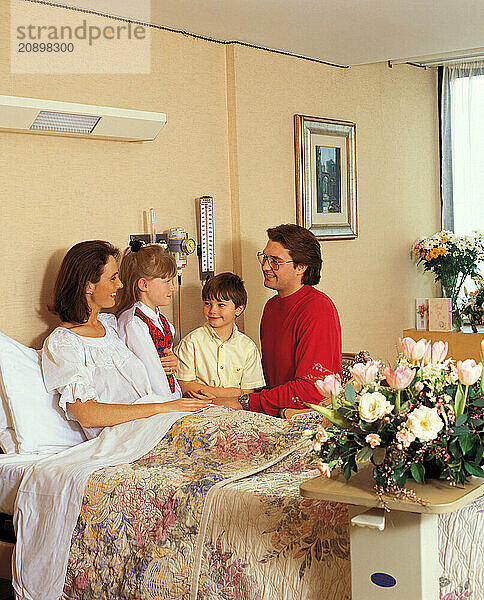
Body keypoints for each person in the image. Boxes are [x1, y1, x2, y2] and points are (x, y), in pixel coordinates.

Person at [41, 240, 211, 439]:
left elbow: (147, 368)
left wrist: (168, 364)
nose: (120, 284)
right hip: (125, 438)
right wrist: (162, 408)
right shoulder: (63, 343)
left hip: (156, 421)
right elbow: (87, 415)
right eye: (113, 278)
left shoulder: (111, 325)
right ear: (89, 286)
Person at [215, 224, 342, 416]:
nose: (265, 266)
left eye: (275, 261)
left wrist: (245, 401)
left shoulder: (318, 309)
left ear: (300, 267)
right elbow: (267, 378)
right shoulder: (272, 307)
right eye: (265, 258)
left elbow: (310, 391)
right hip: (273, 412)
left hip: (301, 418)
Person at [176, 272, 265, 399]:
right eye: (207, 303)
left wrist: (211, 393)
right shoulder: (191, 342)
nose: (212, 310)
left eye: (221, 305)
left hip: (236, 411)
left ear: (238, 309)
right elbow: (184, 385)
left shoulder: (248, 347)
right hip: (200, 409)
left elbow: (248, 392)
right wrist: (232, 393)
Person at [115, 241, 182, 399]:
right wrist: (172, 407)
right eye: (167, 282)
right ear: (144, 284)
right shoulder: (133, 323)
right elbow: (151, 373)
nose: (172, 288)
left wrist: (172, 362)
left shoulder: (161, 321)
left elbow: (163, 369)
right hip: (153, 403)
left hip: (170, 398)